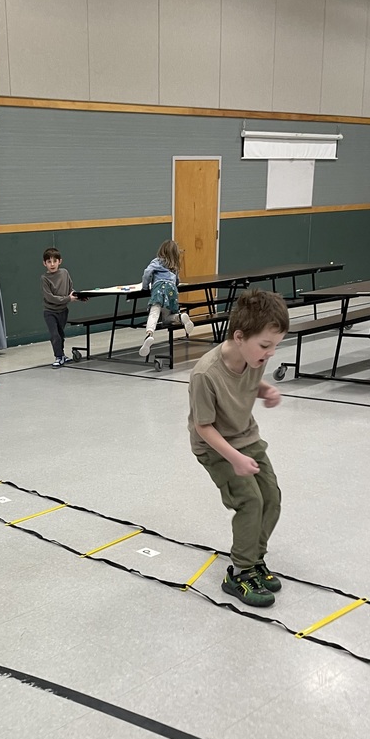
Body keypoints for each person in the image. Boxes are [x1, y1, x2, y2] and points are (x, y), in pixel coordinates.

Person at [188, 288, 289, 608]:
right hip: (215, 446)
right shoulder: (205, 374)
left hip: (246, 437)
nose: (270, 353)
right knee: (250, 500)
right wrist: (234, 459)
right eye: (265, 346)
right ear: (239, 336)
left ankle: (254, 558)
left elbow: (247, 384)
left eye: (275, 346)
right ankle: (240, 572)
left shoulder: (254, 357)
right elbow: (203, 427)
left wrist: (266, 390)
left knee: (271, 497)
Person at [139, 239, 194, 357]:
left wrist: (145, 287)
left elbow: (147, 272)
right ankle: (180, 317)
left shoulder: (157, 261)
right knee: (166, 317)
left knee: (154, 313)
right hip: (172, 291)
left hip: (159, 289)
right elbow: (177, 281)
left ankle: (149, 334)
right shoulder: (174, 266)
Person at [41, 247, 79, 367]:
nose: (52, 264)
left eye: (54, 261)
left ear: (59, 261)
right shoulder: (44, 279)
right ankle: (58, 356)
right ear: (44, 263)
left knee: (61, 334)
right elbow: (50, 297)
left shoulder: (64, 273)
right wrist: (68, 299)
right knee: (55, 335)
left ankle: (62, 355)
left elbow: (70, 289)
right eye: (49, 262)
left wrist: (79, 296)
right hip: (50, 312)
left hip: (63, 311)